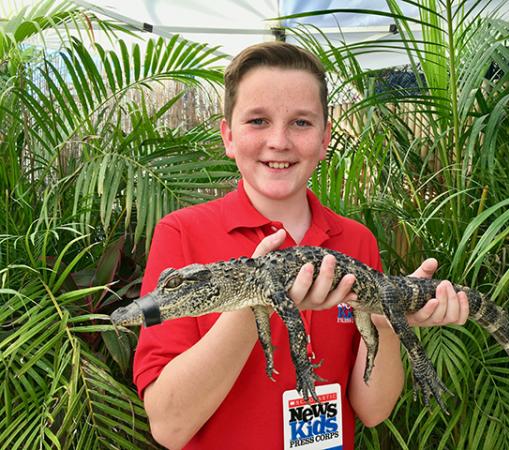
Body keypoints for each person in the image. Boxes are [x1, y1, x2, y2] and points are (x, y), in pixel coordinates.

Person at [133, 41, 469, 450]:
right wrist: (253, 295)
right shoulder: (181, 233)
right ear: (228, 136)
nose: (279, 141)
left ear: (325, 138)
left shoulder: (354, 240)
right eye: (257, 121)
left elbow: (373, 410)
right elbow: (169, 426)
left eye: (301, 123)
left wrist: (385, 322)